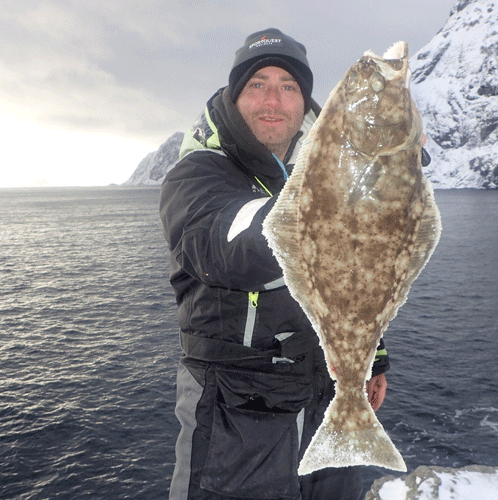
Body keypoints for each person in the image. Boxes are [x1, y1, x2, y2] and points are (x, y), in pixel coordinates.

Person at [159, 28, 390, 500]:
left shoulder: (323, 168)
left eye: (288, 87)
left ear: (303, 102)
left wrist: (372, 358)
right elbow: (224, 248)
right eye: (257, 83)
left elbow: (350, 278)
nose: (273, 99)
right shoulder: (199, 173)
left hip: (323, 392)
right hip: (233, 406)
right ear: (234, 95)